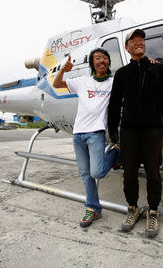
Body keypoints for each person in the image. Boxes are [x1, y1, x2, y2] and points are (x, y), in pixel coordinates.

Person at [107, 29, 163, 238]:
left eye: (142, 40)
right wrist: (113, 131)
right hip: (128, 131)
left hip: (152, 129)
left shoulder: (158, 70)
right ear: (127, 47)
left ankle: (153, 211)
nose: (139, 42)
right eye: (134, 40)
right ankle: (133, 208)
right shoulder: (122, 74)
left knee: (153, 173)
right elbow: (114, 105)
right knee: (129, 173)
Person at [53, 48, 119, 228]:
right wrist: (63, 70)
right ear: (92, 63)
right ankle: (93, 208)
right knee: (85, 174)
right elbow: (56, 84)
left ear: (108, 62)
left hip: (96, 133)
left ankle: (115, 153)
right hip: (78, 133)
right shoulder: (82, 81)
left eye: (105, 57)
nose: (102, 60)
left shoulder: (114, 82)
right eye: (98, 58)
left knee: (97, 172)